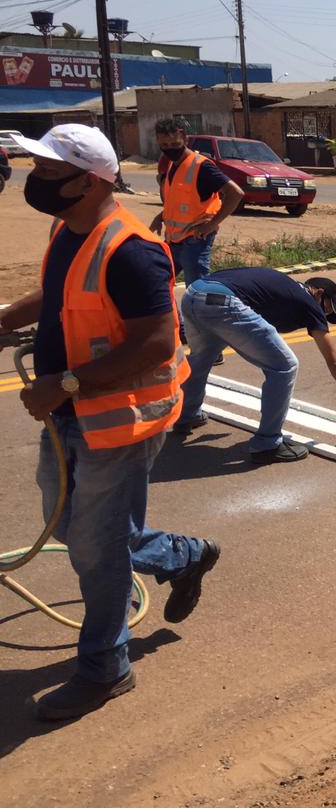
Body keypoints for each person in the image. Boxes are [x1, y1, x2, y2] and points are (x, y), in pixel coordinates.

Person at [0, 124, 219, 721]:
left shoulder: (132, 249)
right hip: (66, 414)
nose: (35, 179)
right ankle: (183, 554)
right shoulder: (68, 230)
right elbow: (53, 295)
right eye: (36, 168)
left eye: (48, 172)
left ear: (91, 180)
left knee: (98, 548)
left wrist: (64, 384)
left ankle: (105, 666)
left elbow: (154, 341)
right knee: (73, 527)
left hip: (117, 421)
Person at [175, 267, 336, 464]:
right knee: (285, 366)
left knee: (202, 357)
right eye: (325, 308)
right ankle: (267, 444)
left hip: (194, 295)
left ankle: (186, 414)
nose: (322, 315)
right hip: (224, 302)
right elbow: (335, 361)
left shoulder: (284, 290)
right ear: (319, 292)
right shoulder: (308, 300)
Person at [149, 118, 243, 286]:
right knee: (159, 283)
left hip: (195, 239)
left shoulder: (201, 166)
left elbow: (235, 193)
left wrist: (211, 225)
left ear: (185, 140)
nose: (170, 149)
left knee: (197, 291)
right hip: (173, 240)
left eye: (174, 144)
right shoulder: (173, 164)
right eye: (165, 145)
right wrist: (160, 217)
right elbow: (179, 202)